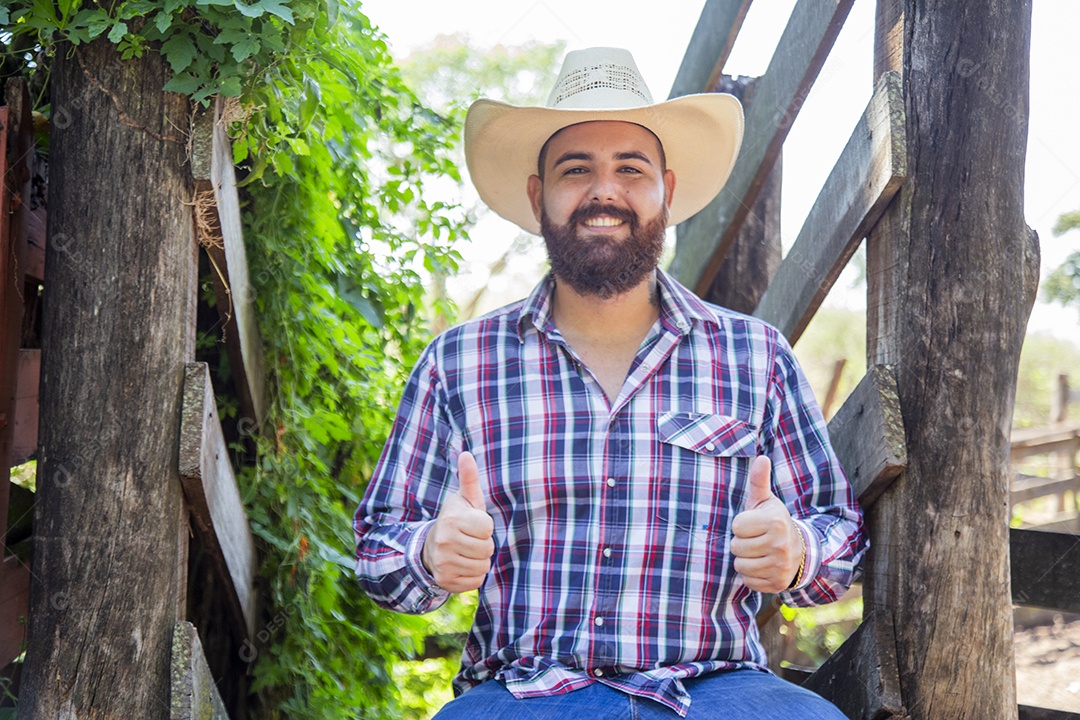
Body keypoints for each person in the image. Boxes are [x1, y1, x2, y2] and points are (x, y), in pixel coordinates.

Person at [353, 47, 867, 719]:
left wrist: (797, 552)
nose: (605, 190)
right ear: (540, 195)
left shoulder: (755, 356)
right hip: (522, 694)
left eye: (631, 168)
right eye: (577, 170)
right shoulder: (458, 363)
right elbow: (378, 553)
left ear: (666, 193)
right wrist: (429, 552)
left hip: (715, 691)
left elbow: (839, 538)